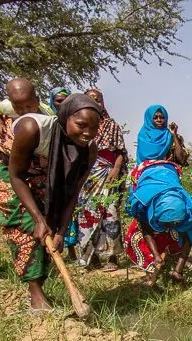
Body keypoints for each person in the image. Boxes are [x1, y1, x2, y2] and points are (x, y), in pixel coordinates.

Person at [0, 79, 100, 311]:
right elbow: (16, 176)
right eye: (80, 125)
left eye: (94, 128)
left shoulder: (88, 148)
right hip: (6, 169)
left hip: (40, 174)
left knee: (49, 223)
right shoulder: (33, 128)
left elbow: (72, 193)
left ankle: (41, 281)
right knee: (27, 224)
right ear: (64, 117)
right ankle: (36, 295)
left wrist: (60, 230)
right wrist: (38, 219)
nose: (88, 133)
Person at [125, 104, 192, 280]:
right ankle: (156, 260)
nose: (159, 120)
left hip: (169, 181)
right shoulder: (143, 136)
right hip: (147, 181)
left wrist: (173, 136)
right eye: (155, 117)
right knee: (144, 219)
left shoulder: (171, 137)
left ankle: (172, 266)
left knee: (180, 214)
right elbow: (144, 161)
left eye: (161, 117)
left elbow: (180, 159)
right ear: (149, 118)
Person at [69, 88, 128, 270]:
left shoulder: (112, 125)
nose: (96, 102)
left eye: (99, 99)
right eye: (91, 99)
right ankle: (90, 257)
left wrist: (116, 169)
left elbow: (120, 152)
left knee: (110, 214)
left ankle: (112, 258)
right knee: (87, 214)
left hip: (108, 173)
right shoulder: (78, 125)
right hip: (87, 175)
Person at [125, 159, 192, 283]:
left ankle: (174, 266)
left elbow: (189, 237)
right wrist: (156, 256)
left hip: (170, 173)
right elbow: (145, 229)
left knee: (186, 231)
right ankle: (150, 269)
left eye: (175, 224)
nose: (168, 228)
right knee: (139, 233)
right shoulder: (140, 204)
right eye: (165, 225)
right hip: (145, 173)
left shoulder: (188, 208)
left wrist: (178, 270)